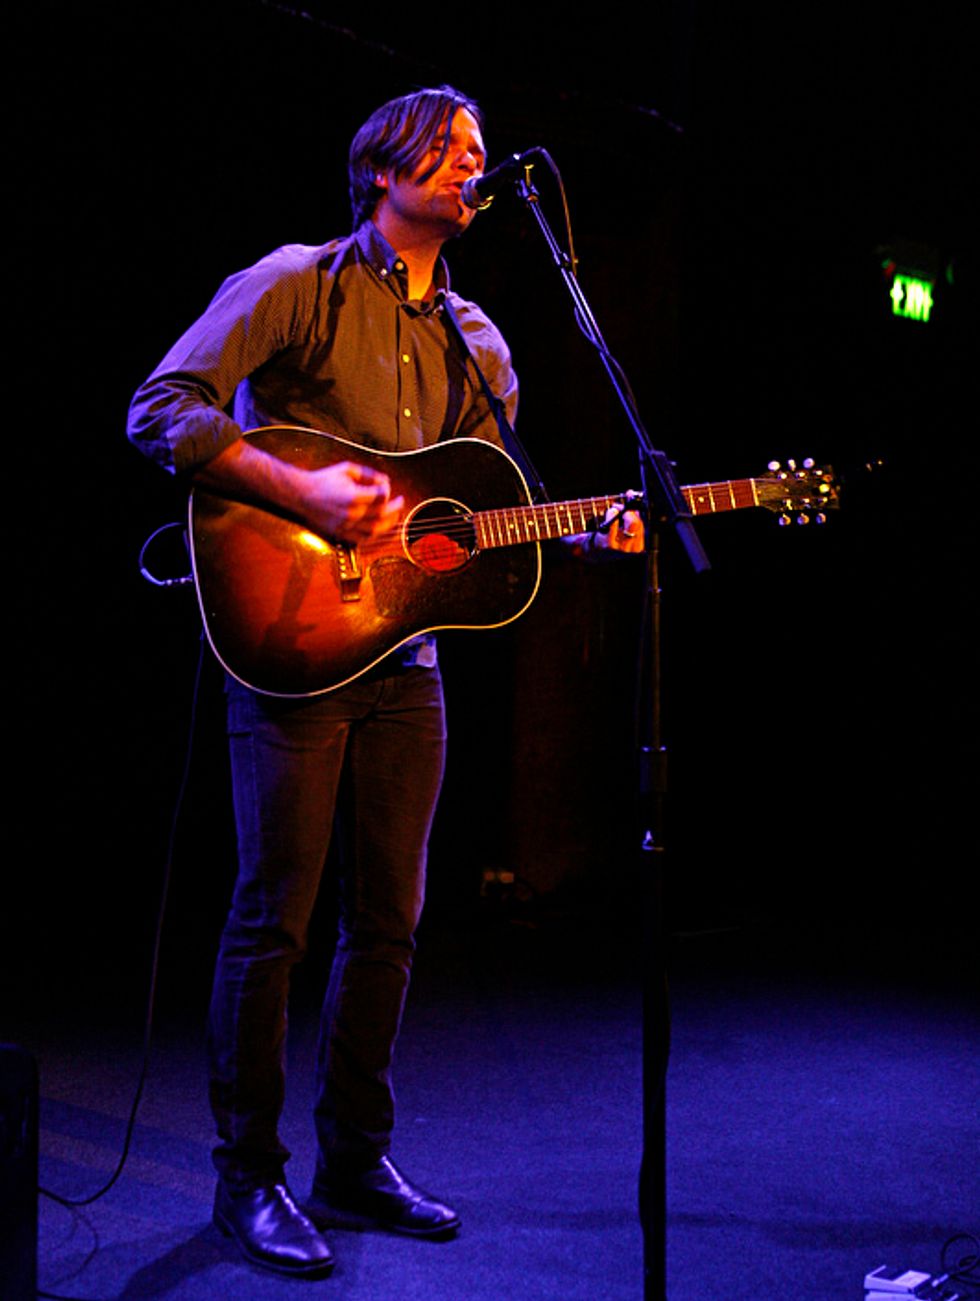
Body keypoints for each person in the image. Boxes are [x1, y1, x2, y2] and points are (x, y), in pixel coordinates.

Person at [128, 84, 642, 1280]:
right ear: (382, 167)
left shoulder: (479, 341)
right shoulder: (294, 282)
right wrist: (302, 489)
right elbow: (161, 408)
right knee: (275, 916)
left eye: (478, 152)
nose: (474, 165)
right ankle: (246, 1175)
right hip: (291, 638)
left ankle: (353, 1158)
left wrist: (582, 534)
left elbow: (478, 516)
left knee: (390, 920)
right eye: (451, 148)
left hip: (406, 656)